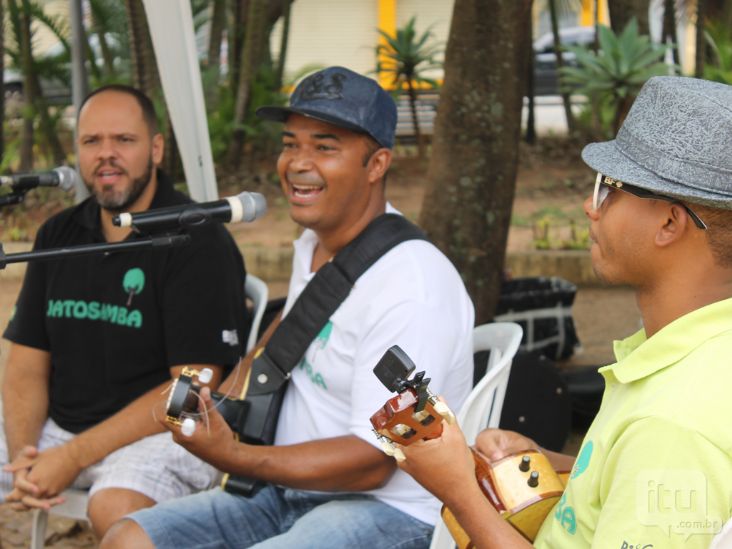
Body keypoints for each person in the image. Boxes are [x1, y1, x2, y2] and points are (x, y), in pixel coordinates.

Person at [101, 66, 475, 549]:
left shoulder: (412, 286)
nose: (298, 163)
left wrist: (235, 456)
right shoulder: (316, 244)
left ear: (377, 164)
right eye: (290, 143)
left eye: (324, 147)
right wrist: (223, 400)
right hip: (289, 491)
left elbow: (374, 460)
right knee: (128, 539)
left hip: (390, 511)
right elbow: (296, 329)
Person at [396, 75, 732, 548]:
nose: (590, 206)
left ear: (669, 222)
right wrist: (556, 460)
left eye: (608, 188)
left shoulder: (672, 423)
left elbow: (665, 454)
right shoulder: (697, 354)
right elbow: (638, 486)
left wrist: (459, 491)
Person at [1, 84, 249, 537]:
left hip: (158, 435)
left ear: (155, 149)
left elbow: (190, 388)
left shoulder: (197, 239)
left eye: (124, 140)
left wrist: (73, 457)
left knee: (117, 511)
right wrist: (25, 458)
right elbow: (25, 362)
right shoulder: (58, 233)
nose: (106, 154)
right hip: (58, 429)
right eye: (92, 141)